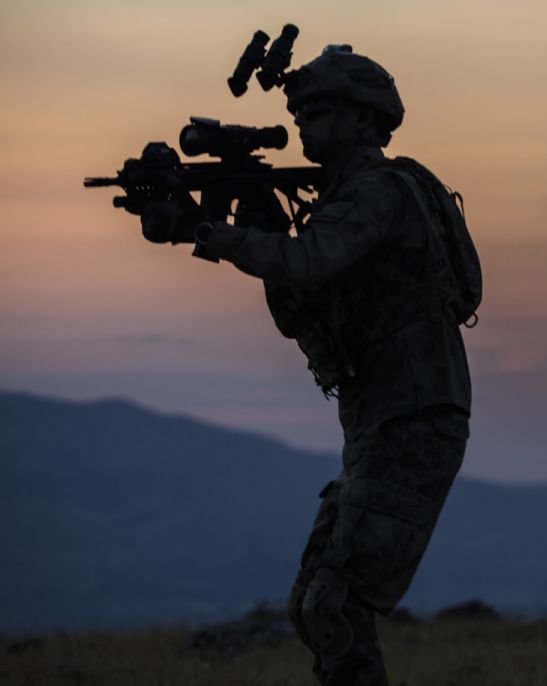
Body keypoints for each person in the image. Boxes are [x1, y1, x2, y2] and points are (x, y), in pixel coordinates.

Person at [140, 44, 480, 686]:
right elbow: (298, 311)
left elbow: (307, 260)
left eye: (319, 111)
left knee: (335, 605)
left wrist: (214, 233)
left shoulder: (379, 193)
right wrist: (257, 223)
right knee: (311, 604)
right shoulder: (337, 202)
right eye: (300, 112)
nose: (303, 123)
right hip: (378, 422)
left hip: (415, 419)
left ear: (364, 118)